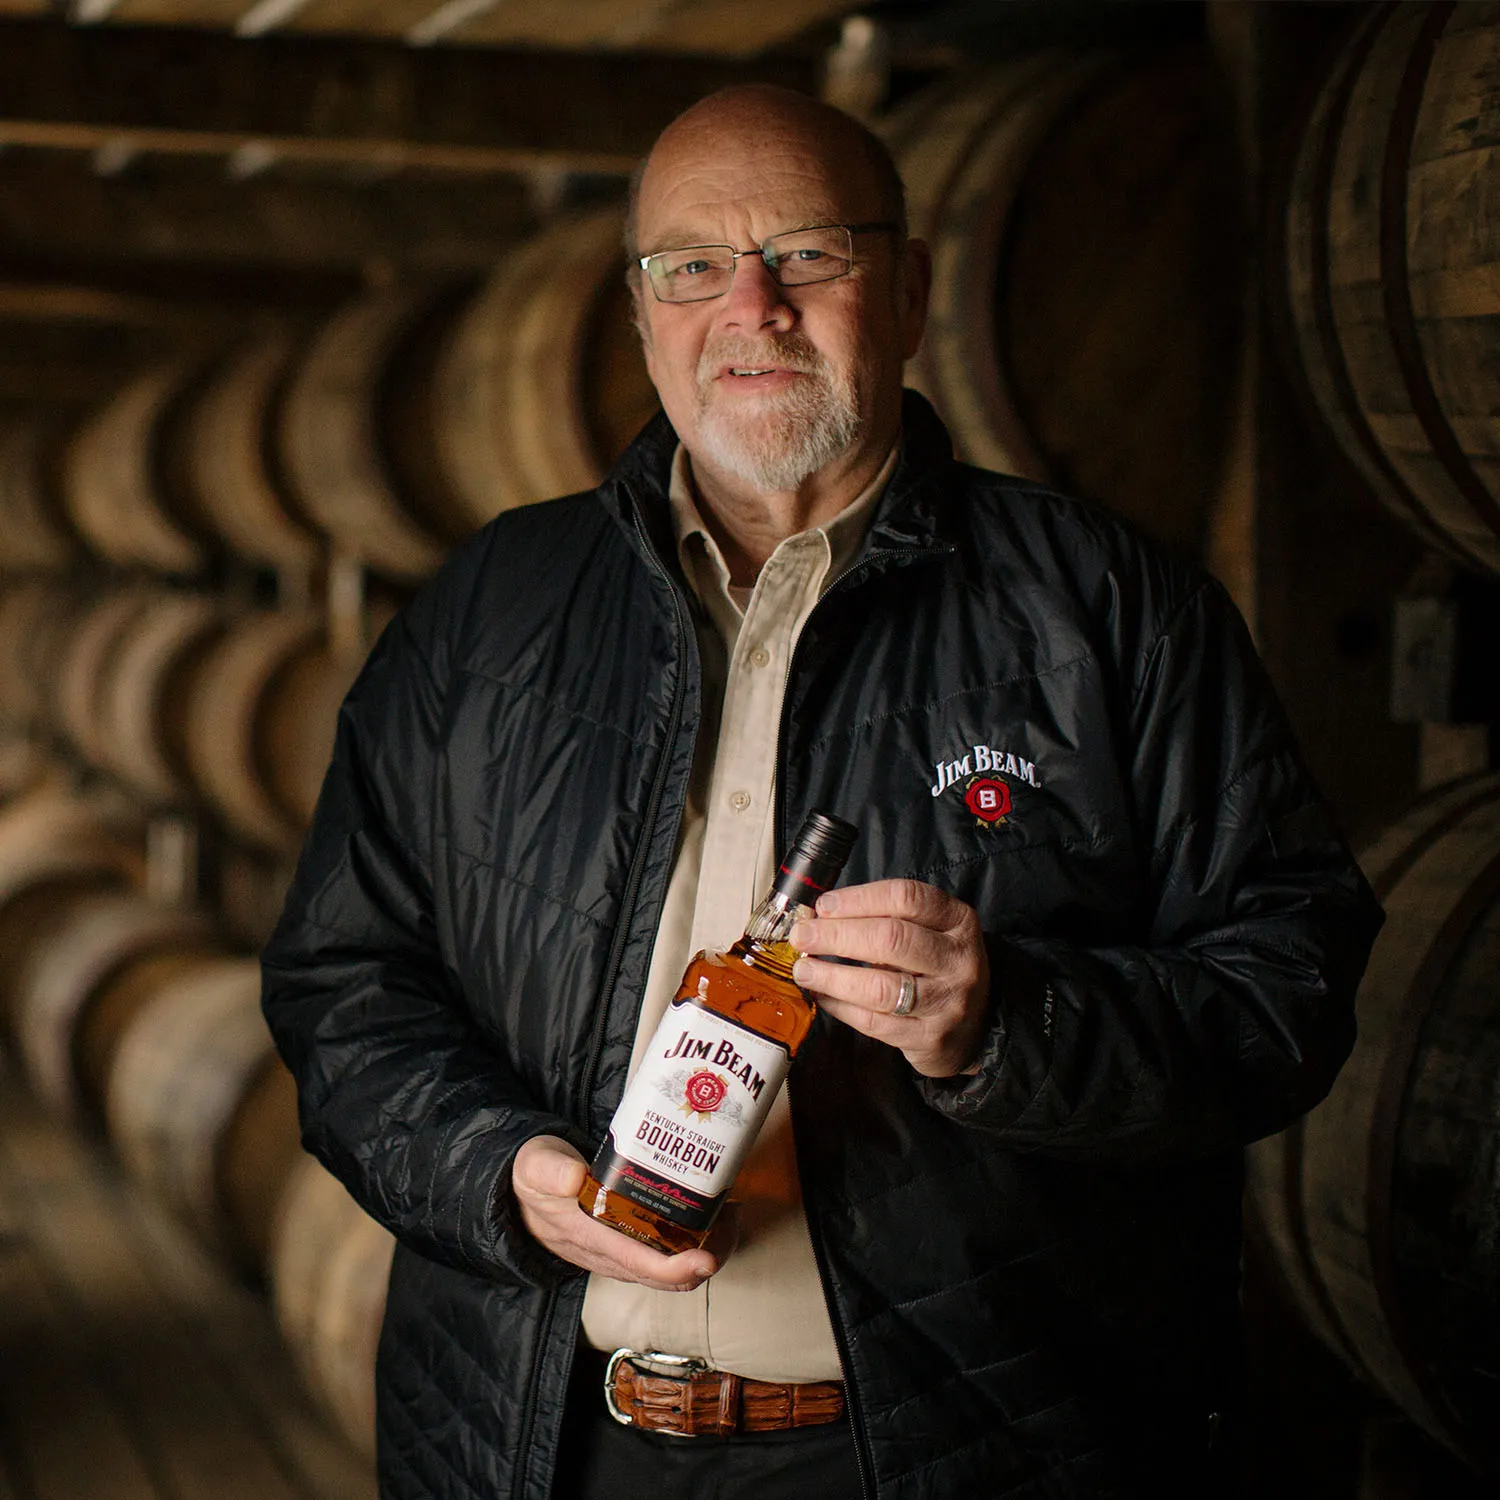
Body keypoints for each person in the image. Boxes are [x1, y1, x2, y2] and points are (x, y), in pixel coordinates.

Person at [261, 84, 1383, 1500]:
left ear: (908, 290)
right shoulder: (490, 608)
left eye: (809, 253)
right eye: (692, 267)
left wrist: (1008, 1021)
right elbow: (341, 978)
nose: (754, 307)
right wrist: (497, 1172)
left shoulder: (1110, 609)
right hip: (538, 1438)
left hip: (965, 1454)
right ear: (639, 313)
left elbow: (1292, 988)